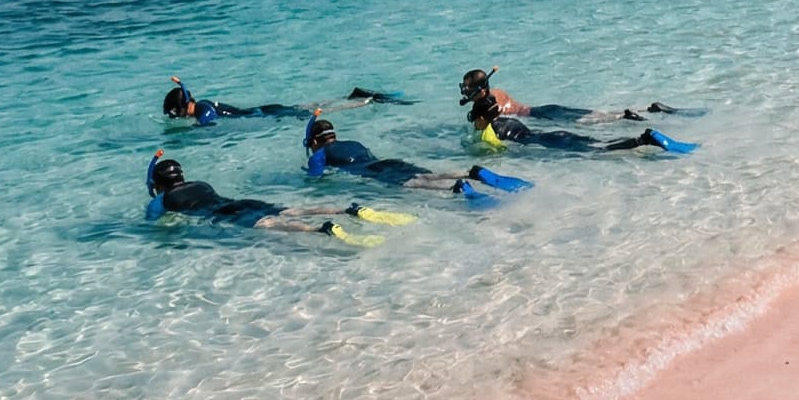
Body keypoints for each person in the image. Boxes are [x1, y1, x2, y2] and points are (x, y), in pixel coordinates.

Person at [144, 151, 403, 243]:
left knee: (269, 224)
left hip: (221, 215)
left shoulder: (161, 200)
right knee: (289, 210)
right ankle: (348, 210)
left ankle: (319, 229)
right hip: (239, 201)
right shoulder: (201, 183)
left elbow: (155, 225)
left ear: (159, 183)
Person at [304, 114, 530, 198]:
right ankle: (473, 172)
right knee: (425, 174)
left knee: (414, 183)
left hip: (371, 172)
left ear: (315, 142)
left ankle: (456, 188)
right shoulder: (354, 142)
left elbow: (317, 178)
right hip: (386, 163)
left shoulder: (319, 155)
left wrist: (309, 177)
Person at [466, 91, 698, 154]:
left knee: (600, 148)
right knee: (597, 140)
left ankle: (645, 138)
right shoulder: (506, 121)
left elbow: (495, 152)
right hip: (555, 135)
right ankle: (645, 133)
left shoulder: (490, 132)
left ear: (481, 117)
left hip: (554, 143)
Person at [458, 68, 690, 123]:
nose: (466, 93)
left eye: (468, 89)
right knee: (590, 114)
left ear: (480, 89)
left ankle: (623, 117)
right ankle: (645, 109)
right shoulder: (497, 92)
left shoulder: (491, 102)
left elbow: (485, 121)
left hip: (542, 117)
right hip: (543, 108)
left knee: (588, 121)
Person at [163, 77, 402, 126]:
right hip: (264, 109)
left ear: (182, 107)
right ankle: (354, 96)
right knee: (305, 106)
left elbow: (207, 125)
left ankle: (365, 102)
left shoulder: (203, 111)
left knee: (313, 112)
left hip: (264, 115)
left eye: (176, 113)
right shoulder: (204, 102)